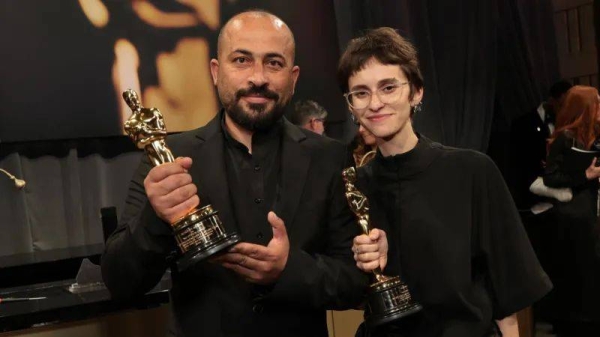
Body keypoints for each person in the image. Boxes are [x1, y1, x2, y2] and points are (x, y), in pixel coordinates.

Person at [101, 10, 368, 337]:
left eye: (274, 63)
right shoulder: (169, 159)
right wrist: (154, 218)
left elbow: (356, 282)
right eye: (242, 60)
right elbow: (120, 283)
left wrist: (288, 270)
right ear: (216, 71)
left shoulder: (331, 157)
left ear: (294, 77)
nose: (258, 77)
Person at [337, 27, 552, 337]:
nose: (374, 103)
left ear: (416, 92)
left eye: (388, 87)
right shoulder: (353, 186)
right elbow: (347, 290)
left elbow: (508, 289)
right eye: (361, 92)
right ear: (351, 105)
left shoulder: (472, 171)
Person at [541, 85, 600, 336]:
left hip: (592, 211)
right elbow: (550, 177)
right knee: (581, 271)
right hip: (575, 216)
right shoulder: (565, 138)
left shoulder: (595, 133)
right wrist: (584, 175)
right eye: (597, 102)